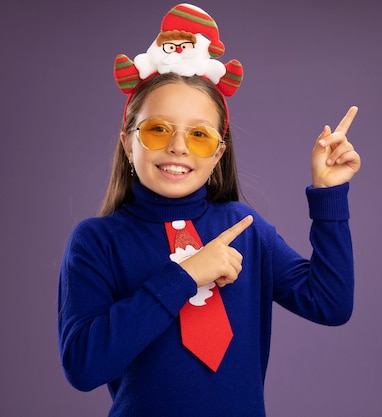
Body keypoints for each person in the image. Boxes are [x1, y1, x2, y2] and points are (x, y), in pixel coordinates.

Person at [57, 3, 360, 416]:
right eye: (157, 130)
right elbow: (83, 365)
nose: (178, 146)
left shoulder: (246, 230)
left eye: (199, 135)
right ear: (129, 143)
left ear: (218, 154)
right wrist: (184, 277)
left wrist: (329, 195)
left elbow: (331, 303)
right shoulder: (96, 241)